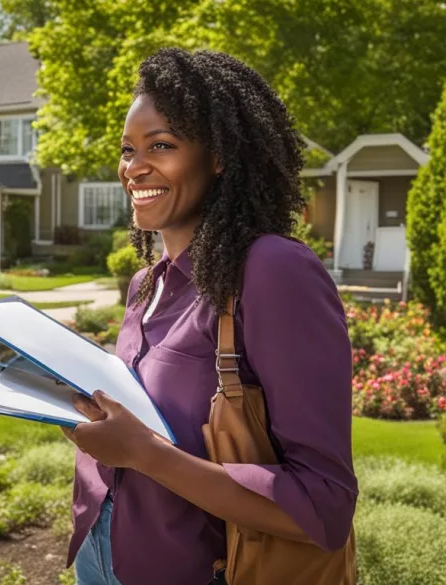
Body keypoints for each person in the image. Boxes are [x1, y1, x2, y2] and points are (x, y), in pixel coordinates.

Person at [61, 48, 357, 585]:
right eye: (128, 150)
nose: (134, 167)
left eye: (162, 146)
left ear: (219, 156)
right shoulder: (145, 283)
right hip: (100, 560)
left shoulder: (271, 270)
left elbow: (325, 503)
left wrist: (145, 454)